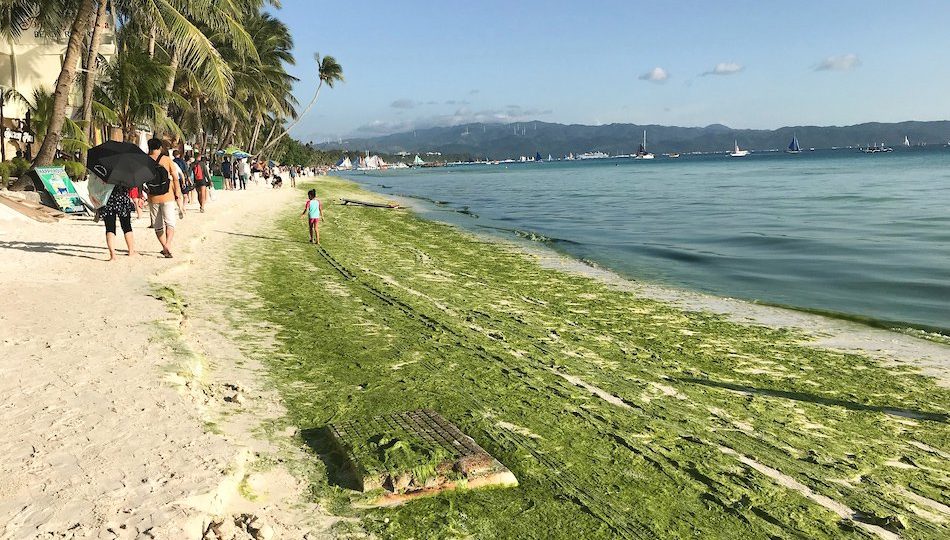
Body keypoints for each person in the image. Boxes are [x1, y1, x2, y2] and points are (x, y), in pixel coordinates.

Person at [146, 138, 185, 258]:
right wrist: (178, 191)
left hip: (152, 197)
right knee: (170, 223)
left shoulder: (145, 161)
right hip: (167, 196)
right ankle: (168, 244)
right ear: (160, 148)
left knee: (157, 225)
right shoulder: (167, 160)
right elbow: (175, 177)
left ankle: (164, 246)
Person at [100, 185, 137, 261]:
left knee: (110, 228)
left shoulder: (105, 174)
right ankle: (131, 251)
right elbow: (130, 186)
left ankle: (113, 255)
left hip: (107, 200)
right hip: (122, 199)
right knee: (127, 226)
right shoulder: (124, 174)